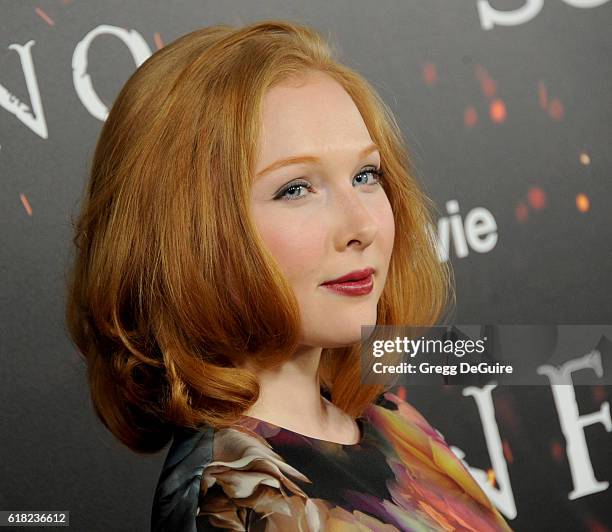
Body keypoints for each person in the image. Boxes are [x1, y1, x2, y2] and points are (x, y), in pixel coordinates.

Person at [64, 19, 513, 532]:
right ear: (190, 235)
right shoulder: (238, 499)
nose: (362, 225)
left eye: (366, 176)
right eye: (296, 188)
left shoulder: (391, 422)